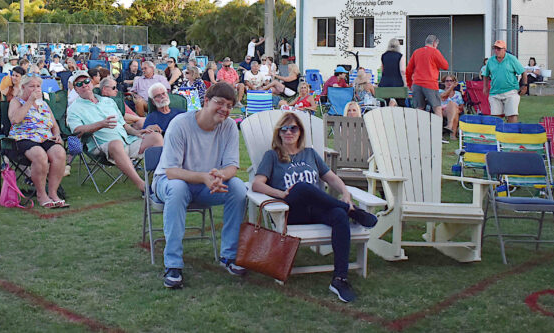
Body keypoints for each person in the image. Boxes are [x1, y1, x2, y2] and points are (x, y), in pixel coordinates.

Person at [252, 111, 378, 302]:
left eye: (293, 128)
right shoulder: (272, 156)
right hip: (290, 211)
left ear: (300, 132)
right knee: (302, 187)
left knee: (338, 215)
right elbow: (257, 184)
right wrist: (281, 194)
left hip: (317, 210)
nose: (288, 132)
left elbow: (332, 178)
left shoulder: (310, 154)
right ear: (278, 133)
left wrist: (345, 193)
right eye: (284, 129)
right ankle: (352, 211)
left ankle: (340, 279)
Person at [154, 82, 247, 289]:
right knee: (178, 189)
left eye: (229, 105)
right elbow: (171, 171)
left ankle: (229, 256)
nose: (224, 109)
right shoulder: (180, 124)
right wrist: (205, 177)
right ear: (205, 101)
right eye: (219, 103)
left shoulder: (229, 126)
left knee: (239, 189)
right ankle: (173, 265)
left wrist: (218, 176)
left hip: (206, 185)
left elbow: (232, 166)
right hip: (168, 183)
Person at [67, 71, 163, 193]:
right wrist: (100, 124)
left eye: (86, 81)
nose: (84, 85)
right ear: (75, 89)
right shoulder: (74, 109)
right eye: (79, 84)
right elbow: (77, 130)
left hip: (127, 141)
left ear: (91, 83)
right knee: (116, 143)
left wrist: (137, 132)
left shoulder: (108, 101)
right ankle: (142, 186)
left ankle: (159, 180)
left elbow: (124, 125)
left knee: (156, 137)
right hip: (102, 147)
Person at [7, 75, 68, 207]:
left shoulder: (44, 104)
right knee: (40, 155)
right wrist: (29, 101)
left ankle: (52, 192)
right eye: (32, 86)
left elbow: (54, 125)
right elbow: (15, 120)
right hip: (23, 138)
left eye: (38, 86)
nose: (35, 89)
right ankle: (41, 194)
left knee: (59, 153)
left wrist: (57, 135)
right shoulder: (16, 102)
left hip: (45, 137)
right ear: (23, 87)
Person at [406, 34, 449, 116]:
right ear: (434, 43)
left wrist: (410, 84)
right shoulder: (435, 52)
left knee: (419, 108)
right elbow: (445, 66)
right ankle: (438, 127)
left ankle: (419, 128)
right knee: (437, 107)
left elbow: (409, 70)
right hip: (430, 84)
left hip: (417, 84)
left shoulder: (416, 52)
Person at [482, 40, 524, 123]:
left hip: (511, 90)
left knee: (512, 114)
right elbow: (486, 75)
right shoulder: (490, 61)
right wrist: (485, 87)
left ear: (504, 49)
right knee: (495, 116)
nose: (496, 51)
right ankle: (498, 134)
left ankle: (512, 133)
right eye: (495, 49)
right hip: (495, 92)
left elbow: (523, 72)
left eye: (499, 49)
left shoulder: (512, 59)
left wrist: (524, 85)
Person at [440, 75, 464, 139]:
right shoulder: (440, 91)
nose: (449, 82)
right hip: (443, 111)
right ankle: (452, 133)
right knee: (451, 103)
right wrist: (451, 87)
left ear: (454, 82)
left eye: (451, 81)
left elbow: (461, 106)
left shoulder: (457, 93)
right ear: (443, 82)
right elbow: (443, 97)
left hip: (456, 111)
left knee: (455, 110)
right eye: (447, 81)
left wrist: (456, 108)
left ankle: (451, 130)